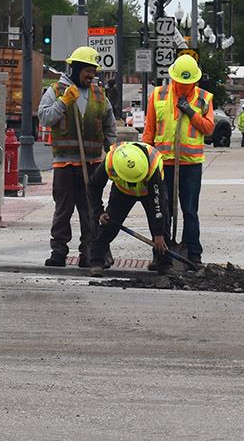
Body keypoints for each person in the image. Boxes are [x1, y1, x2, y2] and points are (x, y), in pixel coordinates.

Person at [37, 45, 117, 268]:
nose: (91, 75)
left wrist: (112, 151)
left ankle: (88, 253)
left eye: (93, 71)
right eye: (87, 71)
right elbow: (44, 118)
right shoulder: (56, 91)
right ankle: (58, 252)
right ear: (75, 69)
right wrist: (63, 102)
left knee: (89, 210)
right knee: (63, 210)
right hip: (64, 163)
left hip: (92, 164)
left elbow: (109, 126)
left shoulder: (99, 95)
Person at [142, 51, 214, 269]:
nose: (184, 86)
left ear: (195, 80)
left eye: (188, 83)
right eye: (181, 83)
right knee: (163, 210)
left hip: (191, 164)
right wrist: (146, 158)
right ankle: (161, 254)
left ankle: (193, 253)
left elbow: (208, 128)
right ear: (173, 77)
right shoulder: (158, 95)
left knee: (189, 210)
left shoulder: (204, 98)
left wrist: (190, 112)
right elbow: (149, 130)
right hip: (163, 163)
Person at [88, 140, 169, 277]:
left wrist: (158, 233)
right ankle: (97, 261)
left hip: (149, 193)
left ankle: (164, 263)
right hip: (122, 191)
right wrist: (99, 212)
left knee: (163, 227)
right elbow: (93, 186)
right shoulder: (110, 161)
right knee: (109, 223)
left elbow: (158, 203)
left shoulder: (152, 166)